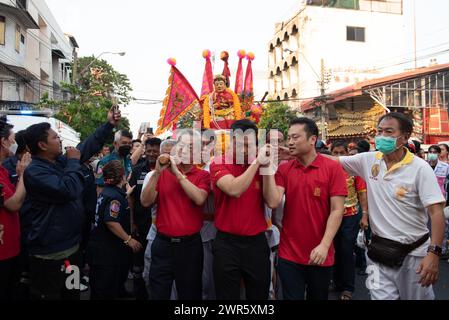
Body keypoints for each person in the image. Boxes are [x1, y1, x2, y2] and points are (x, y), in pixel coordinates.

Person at [326, 112, 445, 300]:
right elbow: (331, 161)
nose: (382, 136)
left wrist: (434, 254)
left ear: (405, 137)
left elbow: (436, 213)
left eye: (389, 132)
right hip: (377, 253)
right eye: (379, 131)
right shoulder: (368, 160)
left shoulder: (420, 168)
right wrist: (297, 151)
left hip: (414, 255)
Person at [23, 109, 120, 300]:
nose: (59, 139)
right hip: (50, 255)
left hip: (71, 250)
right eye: (54, 137)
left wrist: (108, 125)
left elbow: (84, 148)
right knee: (52, 294)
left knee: (72, 292)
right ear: (42, 145)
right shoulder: (35, 172)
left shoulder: (56, 162)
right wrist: (74, 162)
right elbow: (69, 190)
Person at [262, 118, 347, 301]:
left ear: (312, 139)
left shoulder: (332, 168)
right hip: (289, 253)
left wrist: (324, 245)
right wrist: (267, 166)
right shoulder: (284, 170)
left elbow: (337, 210)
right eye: (289, 138)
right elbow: (273, 201)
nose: (290, 142)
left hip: (320, 252)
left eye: (295, 137)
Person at [142, 130, 210, 300]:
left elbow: (199, 198)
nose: (186, 150)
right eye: (183, 145)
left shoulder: (203, 175)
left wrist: (177, 174)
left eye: (192, 147)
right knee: (158, 292)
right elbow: (145, 201)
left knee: (190, 294)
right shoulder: (160, 174)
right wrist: (157, 172)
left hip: (190, 246)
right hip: (163, 243)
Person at [210, 119, 271, 300]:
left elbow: (273, 201)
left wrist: (266, 165)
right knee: (227, 298)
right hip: (227, 244)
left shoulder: (263, 165)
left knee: (259, 296)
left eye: (249, 145)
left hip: (257, 243)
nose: (245, 150)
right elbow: (234, 189)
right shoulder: (218, 163)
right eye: (240, 144)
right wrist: (256, 163)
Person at [88, 160, 142, 300]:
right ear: (123, 176)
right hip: (107, 252)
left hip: (100, 249)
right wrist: (129, 240)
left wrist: (126, 194)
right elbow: (111, 221)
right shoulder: (114, 197)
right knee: (105, 289)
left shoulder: (108, 192)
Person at [330, 141, 368, 300]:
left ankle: (348, 287)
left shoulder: (354, 171)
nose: (338, 156)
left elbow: (362, 193)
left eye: (341, 153)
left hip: (350, 215)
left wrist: (365, 214)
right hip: (331, 216)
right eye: (335, 153)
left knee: (346, 251)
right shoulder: (328, 170)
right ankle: (337, 282)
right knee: (333, 250)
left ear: (346, 153)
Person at [140, 139, 178, 299]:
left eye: (172, 154)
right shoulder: (151, 175)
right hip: (156, 235)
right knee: (150, 277)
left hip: (180, 239)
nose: (168, 158)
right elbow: (146, 202)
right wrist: (158, 173)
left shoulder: (184, 175)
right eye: (165, 154)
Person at [0, 120, 31, 300]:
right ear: (3, 142)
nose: (14, 144)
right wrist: (24, 175)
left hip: (12, 248)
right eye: (12, 139)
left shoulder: (3, 170)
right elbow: (14, 203)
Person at [128, 137, 161, 299]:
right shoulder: (138, 169)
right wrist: (132, 221)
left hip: (160, 224)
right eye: (149, 151)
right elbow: (131, 197)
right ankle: (139, 290)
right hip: (141, 223)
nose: (152, 154)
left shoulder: (168, 170)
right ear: (144, 151)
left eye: (155, 151)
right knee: (139, 259)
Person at [198, 131, 217, 300]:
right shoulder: (190, 166)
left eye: (208, 143)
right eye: (201, 144)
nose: (204, 147)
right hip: (199, 229)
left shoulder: (218, 165)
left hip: (220, 229)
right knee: (204, 278)